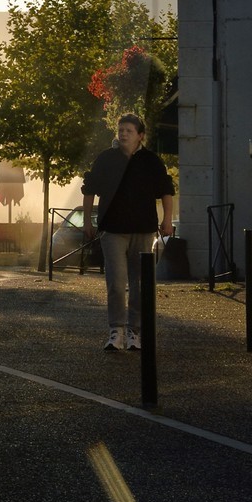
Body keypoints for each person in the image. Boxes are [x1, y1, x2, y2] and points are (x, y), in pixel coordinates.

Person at [81, 113, 175, 352]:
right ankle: (116, 330)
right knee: (116, 281)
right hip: (112, 229)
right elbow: (89, 188)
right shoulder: (106, 159)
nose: (123, 133)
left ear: (140, 136)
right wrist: (87, 221)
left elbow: (166, 189)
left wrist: (167, 219)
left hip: (143, 229)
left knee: (140, 283)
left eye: (129, 131)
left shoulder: (151, 161)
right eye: (121, 130)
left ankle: (134, 331)